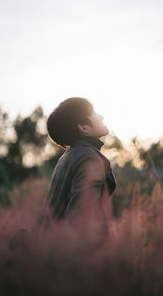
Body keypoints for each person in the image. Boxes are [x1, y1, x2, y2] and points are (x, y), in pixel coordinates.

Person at [43, 97, 116, 232]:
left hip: (55, 246)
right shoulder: (89, 159)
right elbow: (82, 219)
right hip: (80, 250)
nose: (102, 116)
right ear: (84, 127)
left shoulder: (67, 157)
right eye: (94, 113)